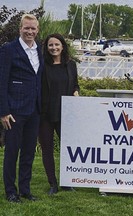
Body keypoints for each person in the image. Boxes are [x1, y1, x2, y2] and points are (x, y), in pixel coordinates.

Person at [0, 14, 44, 203]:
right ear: (20, 28)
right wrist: (3, 111)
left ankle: (25, 189)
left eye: (33, 28)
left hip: (34, 110)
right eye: (27, 28)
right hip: (14, 111)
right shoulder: (9, 49)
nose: (30, 31)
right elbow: (2, 81)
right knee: (12, 152)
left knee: (28, 152)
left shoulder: (39, 49)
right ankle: (11, 191)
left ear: (37, 30)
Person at [39, 33, 80, 195]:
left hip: (65, 114)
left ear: (63, 46)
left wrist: (76, 91)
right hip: (45, 115)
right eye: (50, 45)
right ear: (46, 48)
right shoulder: (42, 65)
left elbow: (75, 84)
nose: (54, 48)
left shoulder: (71, 65)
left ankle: (67, 182)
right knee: (47, 149)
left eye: (57, 44)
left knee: (67, 149)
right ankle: (52, 184)